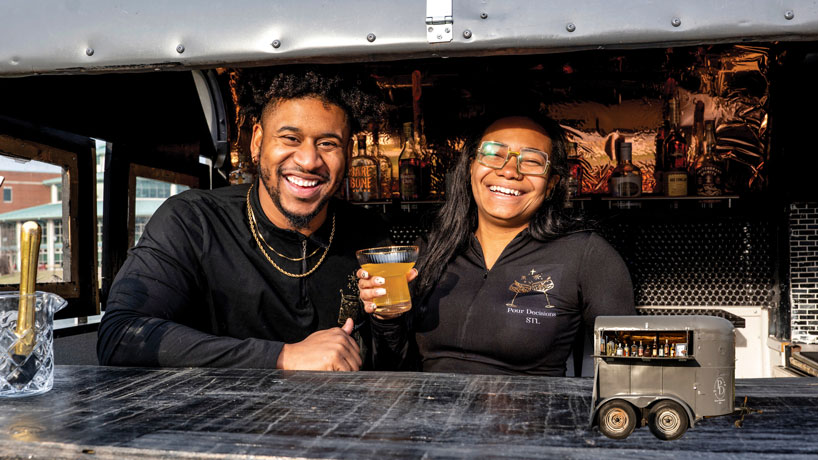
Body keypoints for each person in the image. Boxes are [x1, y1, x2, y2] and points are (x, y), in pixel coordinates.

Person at [97, 68, 391, 371]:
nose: (308, 161)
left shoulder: (369, 235)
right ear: (257, 141)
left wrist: (388, 321)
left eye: (328, 143)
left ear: (349, 151)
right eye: (290, 138)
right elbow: (120, 337)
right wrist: (283, 356)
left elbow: (395, 370)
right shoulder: (192, 221)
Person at [359, 110, 635, 376]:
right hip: (430, 418)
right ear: (470, 166)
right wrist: (386, 319)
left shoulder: (587, 255)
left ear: (552, 183)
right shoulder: (432, 249)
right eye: (494, 154)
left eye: (532, 160)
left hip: (530, 420)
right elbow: (391, 370)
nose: (510, 171)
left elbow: (628, 370)